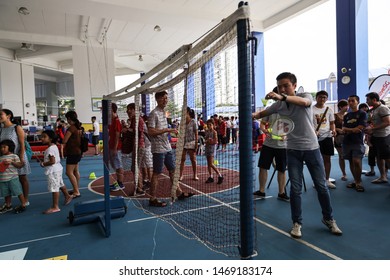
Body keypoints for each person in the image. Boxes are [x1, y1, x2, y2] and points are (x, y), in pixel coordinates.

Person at [252, 72, 342, 238]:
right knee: (295, 189)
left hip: (312, 149)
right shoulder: (278, 105)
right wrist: (250, 115)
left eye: (286, 85)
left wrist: (281, 97)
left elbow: (303, 102)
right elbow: (260, 115)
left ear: (294, 85)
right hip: (292, 150)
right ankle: (297, 223)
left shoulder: (304, 96)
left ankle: (329, 219)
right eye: (280, 86)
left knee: (321, 186)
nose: (283, 89)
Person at [148, 91, 193, 207]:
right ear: (157, 99)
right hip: (158, 149)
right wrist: (167, 130)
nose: (166, 100)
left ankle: (179, 193)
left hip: (167, 147)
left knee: (173, 171)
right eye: (163, 98)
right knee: (157, 173)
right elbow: (151, 131)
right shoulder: (154, 113)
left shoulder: (164, 113)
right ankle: (152, 198)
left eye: (167, 98)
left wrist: (170, 132)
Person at [253, 108, 289, 201]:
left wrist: (287, 136)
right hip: (268, 145)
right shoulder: (270, 111)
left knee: (281, 169)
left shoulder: (289, 111)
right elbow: (262, 124)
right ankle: (261, 191)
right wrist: (265, 131)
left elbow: (293, 128)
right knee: (263, 167)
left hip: (282, 146)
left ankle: (281, 193)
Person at [0, 109, 31, 207]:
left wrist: (21, 157)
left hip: (18, 156)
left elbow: (22, 144)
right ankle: (8, 202)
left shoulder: (16, 127)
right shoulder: (1, 129)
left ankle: (25, 199)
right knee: (6, 179)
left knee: (22, 178)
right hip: (6, 158)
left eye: (1, 114)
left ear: (8, 116)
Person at [39, 130, 73, 214]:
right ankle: (67, 196)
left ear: (50, 138)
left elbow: (52, 161)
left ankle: (55, 206)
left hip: (53, 170)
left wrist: (43, 164)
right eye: (41, 137)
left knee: (54, 188)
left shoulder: (50, 149)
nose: (41, 138)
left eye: (44, 137)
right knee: (60, 183)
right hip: (58, 169)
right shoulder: (54, 146)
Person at [342, 95, 367, 192]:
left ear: (357, 102)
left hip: (358, 141)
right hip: (346, 142)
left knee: (357, 161)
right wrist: (352, 129)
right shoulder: (346, 116)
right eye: (349, 101)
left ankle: (359, 182)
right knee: (351, 162)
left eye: (353, 101)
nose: (350, 102)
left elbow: (360, 128)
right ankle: (356, 180)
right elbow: (344, 129)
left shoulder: (362, 113)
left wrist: (349, 130)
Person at [364, 92, 390, 184]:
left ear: (374, 100)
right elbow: (372, 122)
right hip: (376, 136)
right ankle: (383, 177)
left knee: (387, 157)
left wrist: (373, 128)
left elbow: (387, 122)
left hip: (384, 137)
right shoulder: (373, 109)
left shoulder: (383, 108)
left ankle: (384, 176)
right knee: (379, 157)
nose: (366, 102)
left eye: (368, 100)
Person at [313, 90, 336, 189]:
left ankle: (326, 180)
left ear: (326, 99)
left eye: (324, 97)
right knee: (316, 160)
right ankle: (318, 181)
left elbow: (332, 123)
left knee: (327, 159)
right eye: (320, 97)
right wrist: (313, 131)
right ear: (316, 98)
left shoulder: (329, 109)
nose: (322, 99)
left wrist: (333, 130)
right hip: (314, 138)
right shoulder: (311, 109)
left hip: (327, 137)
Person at [0, 139, 27, 214]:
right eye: (1, 147)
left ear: (10, 147)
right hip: (2, 179)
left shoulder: (14, 156)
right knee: (6, 194)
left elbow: (19, 166)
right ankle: (8, 205)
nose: (2, 149)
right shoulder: (0, 157)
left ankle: (23, 204)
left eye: (4, 147)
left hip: (13, 178)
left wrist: (12, 162)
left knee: (18, 192)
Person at [63, 110, 82, 198]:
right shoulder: (78, 127)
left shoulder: (71, 128)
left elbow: (65, 140)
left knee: (69, 172)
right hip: (78, 152)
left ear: (69, 118)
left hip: (72, 152)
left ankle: (76, 191)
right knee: (75, 171)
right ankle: (76, 189)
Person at [179, 107, 199, 181]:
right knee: (182, 159)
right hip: (183, 142)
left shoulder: (193, 121)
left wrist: (196, 143)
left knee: (193, 159)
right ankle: (181, 175)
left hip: (191, 142)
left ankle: (195, 175)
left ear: (187, 112)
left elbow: (196, 133)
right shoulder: (182, 122)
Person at [108, 102, 124, 191]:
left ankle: (120, 184)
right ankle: (118, 182)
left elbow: (117, 135)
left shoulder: (117, 121)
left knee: (118, 165)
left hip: (116, 148)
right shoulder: (112, 121)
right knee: (115, 165)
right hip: (112, 146)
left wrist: (114, 147)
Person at [204, 119, 223, 184]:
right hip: (207, 148)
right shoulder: (207, 131)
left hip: (212, 148)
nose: (209, 126)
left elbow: (216, 141)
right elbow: (205, 139)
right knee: (208, 164)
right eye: (208, 125)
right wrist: (206, 140)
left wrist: (211, 141)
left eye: (210, 125)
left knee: (211, 163)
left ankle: (220, 175)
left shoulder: (214, 132)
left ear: (213, 125)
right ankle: (211, 177)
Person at [334, 99, 349, 181]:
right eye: (345, 106)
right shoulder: (335, 115)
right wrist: (337, 129)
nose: (347, 107)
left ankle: (354, 173)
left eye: (348, 106)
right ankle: (344, 173)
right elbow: (331, 126)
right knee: (341, 156)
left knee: (350, 156)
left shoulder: (349, 115)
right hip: (338, 138)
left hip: (348, 138)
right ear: (340, 107)